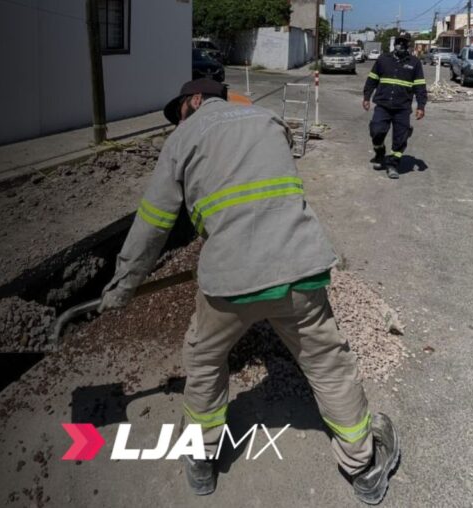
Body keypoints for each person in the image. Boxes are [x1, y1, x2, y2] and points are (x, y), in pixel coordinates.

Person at [99, 78, 400, 504]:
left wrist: (124, 284)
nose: (178, 122)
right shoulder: (268, 119)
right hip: (300, 268)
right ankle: (364, 466)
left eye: (179, 112)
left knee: (204, 359)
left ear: (195, 100)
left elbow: (153, 221)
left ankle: (201, 460)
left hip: (230, 282)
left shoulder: (182, 138)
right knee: (327, 363)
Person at [363, 32, 427, 179]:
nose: (401, 45)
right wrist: (366, 97)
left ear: (408, 45)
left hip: (402, 107)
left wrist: (421, 106)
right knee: (376, 131)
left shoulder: (414, 62)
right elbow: (372, 79)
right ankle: (380, 153)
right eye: (399, 42)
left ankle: (392, 164)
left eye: (404, 42)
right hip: (383, 104)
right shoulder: (383, 59)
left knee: (400, 137)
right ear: (395, 43)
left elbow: (420, 86)